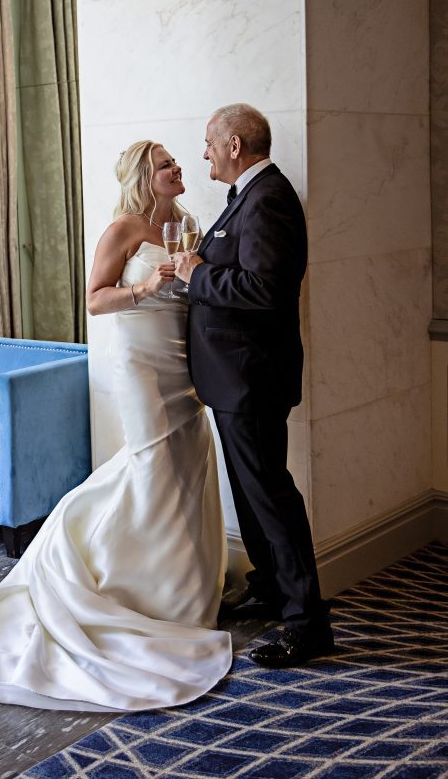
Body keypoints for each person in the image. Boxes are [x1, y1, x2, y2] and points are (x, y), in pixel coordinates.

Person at [0, 140, 232, 711]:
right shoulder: (122, 229)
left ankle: (182, 595)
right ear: (146, 177)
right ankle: (103, 579)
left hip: (183, 365)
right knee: (152, 464)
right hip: (141, 364)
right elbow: (94, 301)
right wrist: (147, 286)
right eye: (166, 165)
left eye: (176, 163)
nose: (178, 169)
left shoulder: (187, 224)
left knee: (188, 462)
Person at [174, 104, 334, 668]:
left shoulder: (268, 199)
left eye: (210, 143)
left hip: (252, 379)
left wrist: (198, 275)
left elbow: (265, 290)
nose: (205, 153)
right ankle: (271, 587)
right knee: (251, 492)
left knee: (271, 496)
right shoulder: (244, 197)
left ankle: (306, 623)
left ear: (235, 145)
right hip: (234, 378)